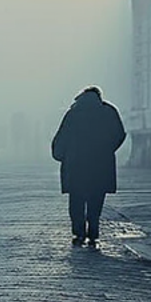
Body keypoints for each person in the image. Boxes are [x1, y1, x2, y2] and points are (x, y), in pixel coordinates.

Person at [51, 86, 126, 247]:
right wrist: (107, 149)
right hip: (100, 164)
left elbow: (62, 136)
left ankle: (78, 234)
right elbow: (120, 134)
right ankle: (93, 234)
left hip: (75, 164)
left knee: (76, 201)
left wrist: (61, 155)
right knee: (95, 200)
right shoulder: (108, 111)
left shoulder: (74, 113)